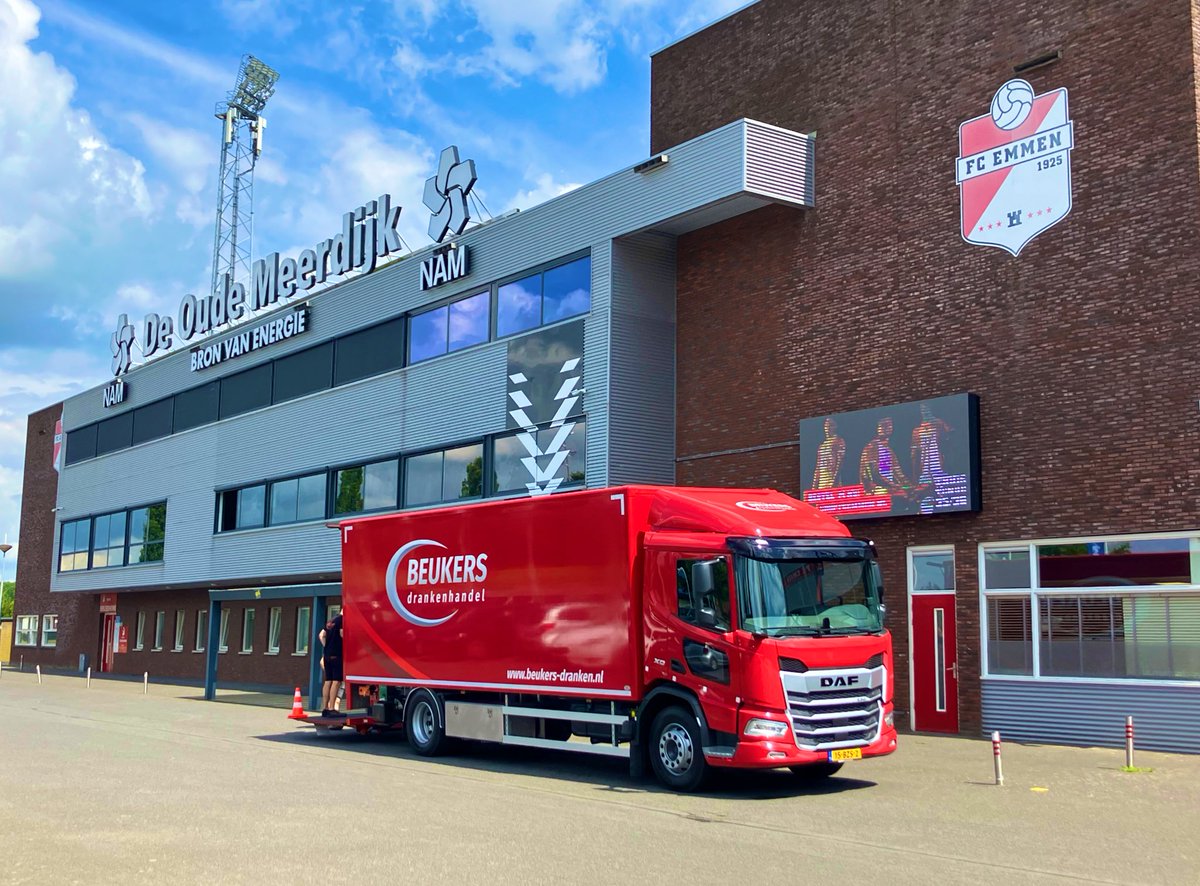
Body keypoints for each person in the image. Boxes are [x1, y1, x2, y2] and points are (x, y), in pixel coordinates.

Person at [318, 611, 345, 717]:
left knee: (328, 680)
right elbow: (342, 634)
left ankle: (325, 708)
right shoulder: (342, 620)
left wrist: (326, 646)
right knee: (336, 681)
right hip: (337, 655)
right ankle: (332, 708)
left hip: (327, 655)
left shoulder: (331, 621)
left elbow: (321, 635)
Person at [811, 418, 846, 490]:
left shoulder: (838, 441)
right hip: (822, 481)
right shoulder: (822, 445)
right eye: (826, 426)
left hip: (831, 478)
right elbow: (818, 466)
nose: (828, 428)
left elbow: (840, 462)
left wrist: (834, 481)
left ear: (835, 427)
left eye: (830, 426)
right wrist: (814, 486)